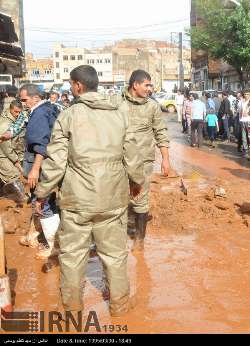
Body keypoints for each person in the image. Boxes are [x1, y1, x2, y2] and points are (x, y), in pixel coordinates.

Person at [34, 65, 144, 317]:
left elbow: (56, 161)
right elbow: (133, 155)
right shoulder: (119, 114)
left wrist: (42, 194)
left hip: (77, 201)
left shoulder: (68, 116)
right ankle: (120, 309)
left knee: (72, 258)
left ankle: (72, 313)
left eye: (71, 84)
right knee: (115, 256)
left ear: (78, 86)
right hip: (113, 198)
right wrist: (136, 182)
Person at [115, 70, 171, 251]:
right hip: (119, 162)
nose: (150, 89)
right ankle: (116, 239)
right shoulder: (117, 104)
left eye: (151, 85)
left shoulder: (152, 107)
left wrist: (165, 159)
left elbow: (160, 132)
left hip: (144, 162)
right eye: (147, 85)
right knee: (117, 199)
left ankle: (139, 241)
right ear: (135, 85)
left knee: (141, 199)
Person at [18, 83, 61, 259]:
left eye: (24, 100)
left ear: (35, 98)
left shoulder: (39, 114)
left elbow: (41, 145)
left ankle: (54, 246)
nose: (22, 103)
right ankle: (33, 235)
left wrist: (35, 169)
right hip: (49, 165)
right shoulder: (49, 109)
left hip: (40, 165)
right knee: (40, 200)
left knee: (43, 203)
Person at [0, 100, 26, 205]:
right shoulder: (5, 124)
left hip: (5, 154)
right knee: (13, 176)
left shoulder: (10, 119)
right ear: (10, 109)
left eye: (20, 112)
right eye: (16, 112)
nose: (18, 114)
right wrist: (15, 161)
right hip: (2, 155)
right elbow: (5, 146)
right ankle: (22, 202)